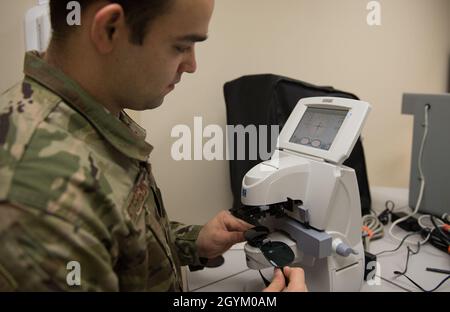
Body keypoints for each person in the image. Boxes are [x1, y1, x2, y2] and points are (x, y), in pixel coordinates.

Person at [0, 0, 307, 292]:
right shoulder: (38, 191)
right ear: (110, 29)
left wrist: (193, 241)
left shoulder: (95, 118)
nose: (191, 65)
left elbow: (120, 243)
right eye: (181, 46)